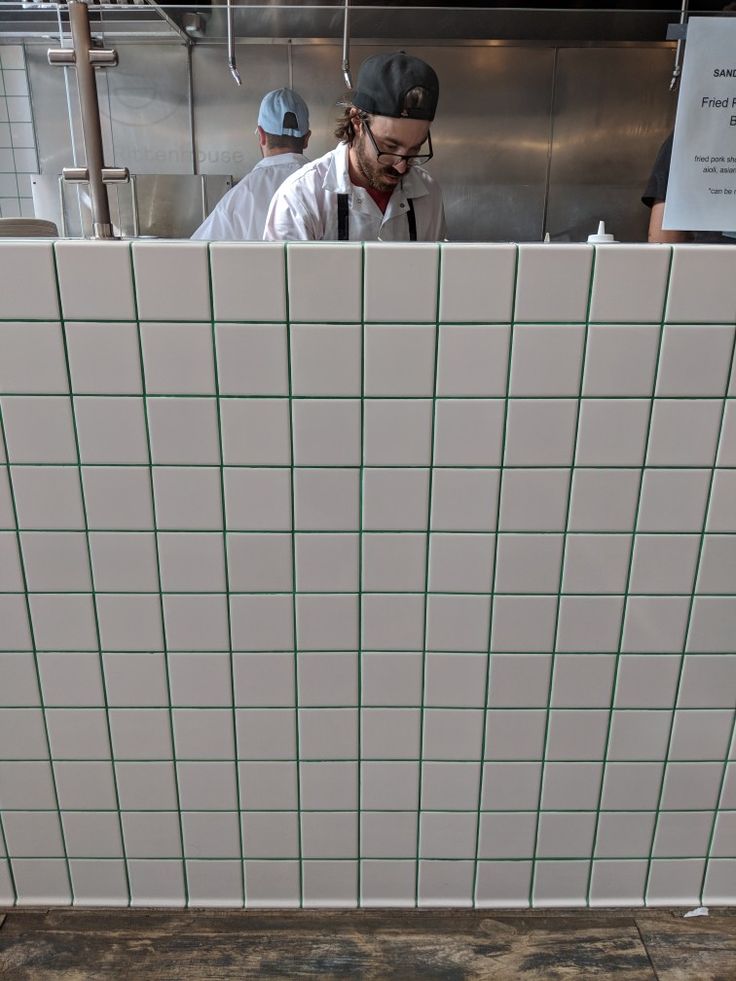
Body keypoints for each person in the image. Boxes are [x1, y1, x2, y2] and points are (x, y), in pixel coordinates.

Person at [263, 52, 446, 241]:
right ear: (357, 122)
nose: (400, 166)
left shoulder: (429, 194)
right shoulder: (301, 198)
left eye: (414, 149)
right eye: (390, 146)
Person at [191, 88, 311, 241]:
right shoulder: (325, 185)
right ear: (307, 138)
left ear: (261, 135)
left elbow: (195, 253)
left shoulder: (240, 195)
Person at [642, 131, 736, 244]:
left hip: (708, 256)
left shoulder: (691, 131)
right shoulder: (687, 133)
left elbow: (662, 241)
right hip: (709, 256)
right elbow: (663, 239)